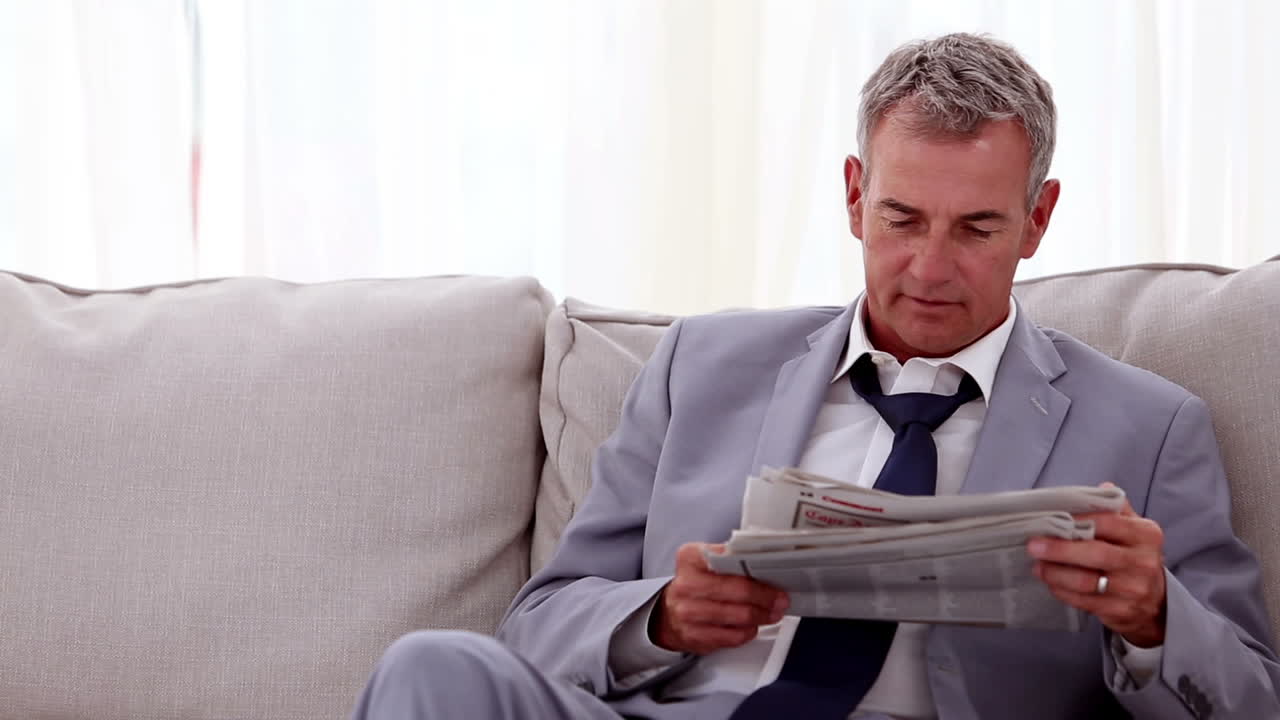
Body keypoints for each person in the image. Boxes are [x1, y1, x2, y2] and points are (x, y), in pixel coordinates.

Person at [350, 32, 1279, 719]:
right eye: (902, 219)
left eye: (977, 228)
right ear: (853, 196)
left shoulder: (1150, 427)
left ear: (1037, 220)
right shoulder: (699, 366)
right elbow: (540, 622)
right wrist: (661, 618)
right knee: (433, 668)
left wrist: (1157, 620)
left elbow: (1252, 696)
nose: (929, 268)